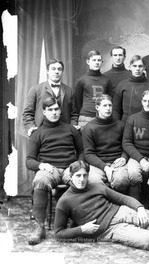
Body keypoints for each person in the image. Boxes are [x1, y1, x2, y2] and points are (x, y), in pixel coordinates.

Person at [54, 160, 149, 251]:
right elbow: (59, 233)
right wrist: (82, 230)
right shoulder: (64, 201)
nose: (82, 179)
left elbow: (123, 198)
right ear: (70, 176)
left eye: (85, 175)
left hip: (122, 212)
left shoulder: (97, 186)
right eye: (78, 176)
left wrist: (140, 209)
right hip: (109, 230)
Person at [26, 97, 83, 245]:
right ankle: (40, 227)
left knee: (82, 181)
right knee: (40, 180)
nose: (54, 112)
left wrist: (79, 164)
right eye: (50, 110)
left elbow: (82, 150)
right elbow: (29, 160)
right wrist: (42, 166)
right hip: (51, 169)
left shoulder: (70, 129)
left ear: (60, 110)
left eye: (56, 109)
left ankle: (76, 224)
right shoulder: (37, 133)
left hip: (70, 168)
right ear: (44, 112)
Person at [82, 94, 130, 193]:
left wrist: (124, 157)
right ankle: (103, 205)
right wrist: (105, 167)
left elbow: (127, 145)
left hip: (117, 163)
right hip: (98, 164)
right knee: (94, 181)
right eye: (104, 106)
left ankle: (119, 203)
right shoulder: (89, 128)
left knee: (121, 180)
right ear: (97, 107)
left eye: (110, 105)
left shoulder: (120, 125)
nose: (108, 108)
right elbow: (88, 154)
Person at [23, 58, 78, 136]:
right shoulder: (36, 89)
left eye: (59, 69)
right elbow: (27, 113)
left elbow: (74, 114)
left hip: (64, 135)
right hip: (42, 134)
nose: (56, 72)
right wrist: (32, 129)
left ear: (62, 72)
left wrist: (72, 128)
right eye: (53, 69)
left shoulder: (69, 91)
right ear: (47, 71)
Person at [112, 55, 149, 122]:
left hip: (147, 125)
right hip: (126, 125)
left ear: (144, 67)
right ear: (130, 67)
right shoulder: (122, 85)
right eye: (135, 66)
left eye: (140, 66)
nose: (137, 69)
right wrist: (117, 125)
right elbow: (115, 109)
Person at [74, 50, 112, 128]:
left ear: (101, 62)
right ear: (88, 61)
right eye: (94, 60)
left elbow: (110, 99)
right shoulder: (81, 80)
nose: (97, 62)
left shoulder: (107, 80)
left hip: (102, 117)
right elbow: (78, 102)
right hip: (85, 118)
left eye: (99, 60)